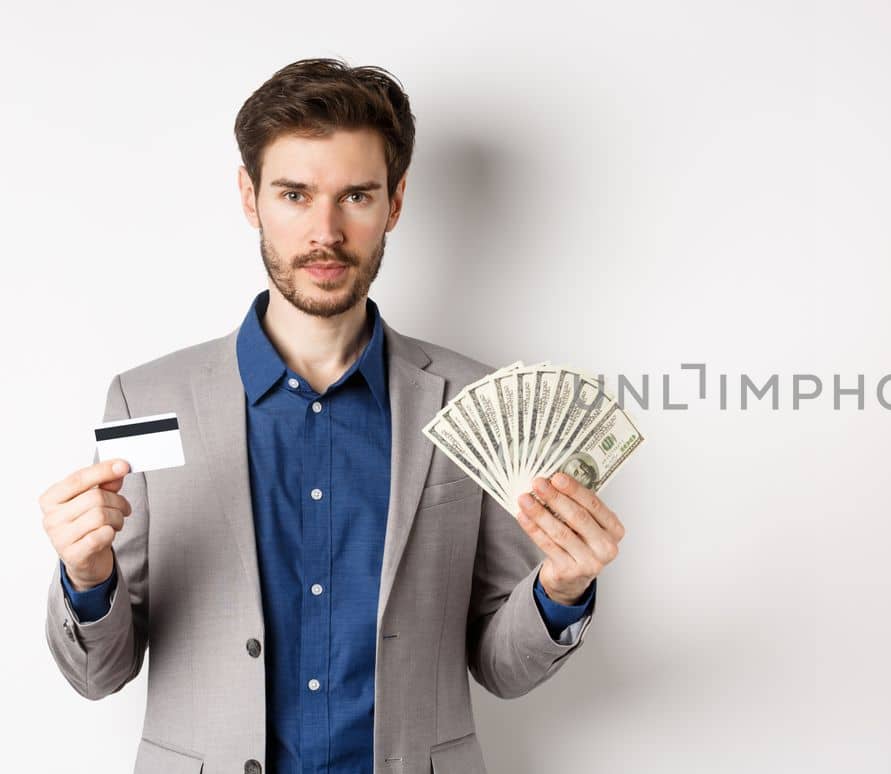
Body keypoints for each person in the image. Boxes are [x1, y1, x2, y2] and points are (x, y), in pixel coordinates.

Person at [37, 58, 626, 774]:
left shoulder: (475, 403)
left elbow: (502, 669)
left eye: (356, 195)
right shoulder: (147, 400)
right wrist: (86, 575)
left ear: (395, 202)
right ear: (251, 198)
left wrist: (560, 591)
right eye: (294, 194)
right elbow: (99, 674)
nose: (325, 230)